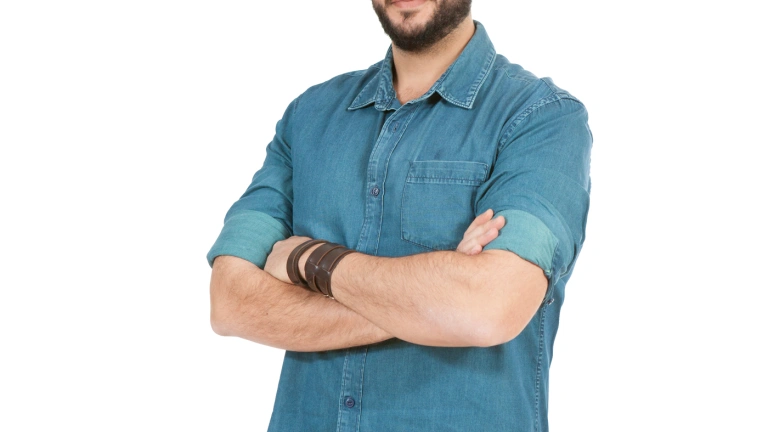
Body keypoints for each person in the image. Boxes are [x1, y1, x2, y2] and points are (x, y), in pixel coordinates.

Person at [206, 0, 592, 430]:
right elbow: (230, 301)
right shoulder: (308, 115)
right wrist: (439, 302)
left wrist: (310, 261)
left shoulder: (542, 118)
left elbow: (491, 306)